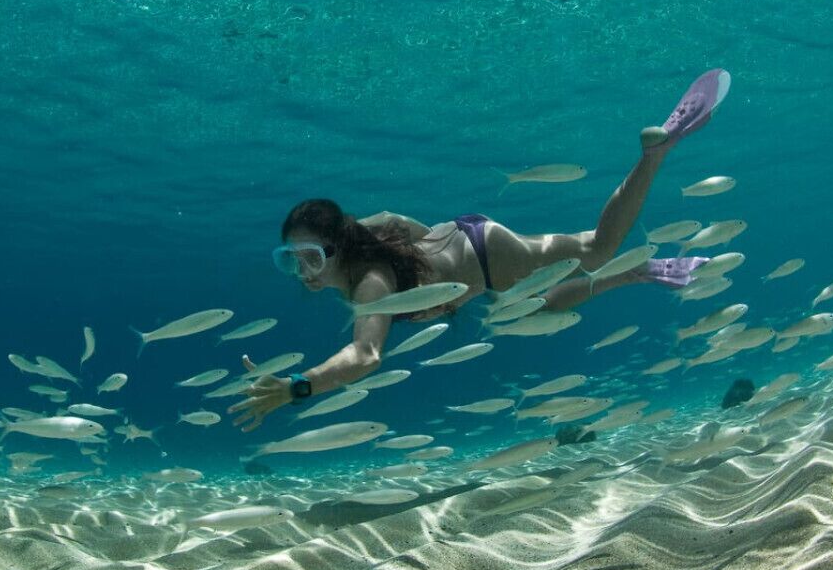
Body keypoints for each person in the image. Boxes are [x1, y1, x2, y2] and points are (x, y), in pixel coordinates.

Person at [227, 69, 731, 432]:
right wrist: (429, 258)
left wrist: (298, 387)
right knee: (542, 308)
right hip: (468, 244)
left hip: (488, 258)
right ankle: (636, 271)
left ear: (338, 248)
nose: (302, 273)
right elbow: (400, 223)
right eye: (290, 261)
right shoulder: (365, 241)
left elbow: (366, 354)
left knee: (596, 249)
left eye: (311, 258)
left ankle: (655, 154)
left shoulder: (370, 285)